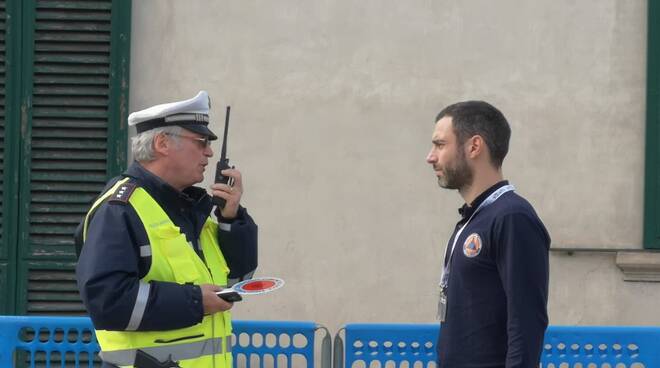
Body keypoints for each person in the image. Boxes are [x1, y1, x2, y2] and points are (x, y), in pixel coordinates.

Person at [75, 91, 258, 368]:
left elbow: (237, 280)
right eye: (200, 141)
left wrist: (231, 220)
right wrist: (196, 301)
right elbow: (108, 302)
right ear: (162, 143)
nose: (209, 151)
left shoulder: (191, 208)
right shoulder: (119, 209)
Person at [425, 101, 550, 368]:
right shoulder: (473, 219)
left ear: (474, 146)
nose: (431, 157)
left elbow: (526, 322)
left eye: (440, 144)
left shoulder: (513, 217)